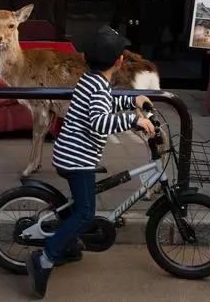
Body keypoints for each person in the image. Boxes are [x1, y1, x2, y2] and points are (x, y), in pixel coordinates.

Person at [25, 26, 155, 298]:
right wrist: (135, 120)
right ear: (119, 61)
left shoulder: (91, 80)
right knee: (85, 211)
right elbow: (99, 122)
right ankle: (45, 259)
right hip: (77, 160)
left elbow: (104, 107)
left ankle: (69, 245)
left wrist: (134, 102)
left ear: (85, 57)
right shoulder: (97, 85)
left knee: (79, 206)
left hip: (71, 154)